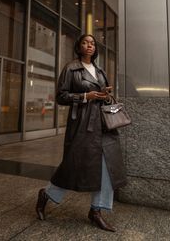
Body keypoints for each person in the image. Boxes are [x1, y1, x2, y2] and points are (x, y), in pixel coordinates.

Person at [36, 34, 127, 232]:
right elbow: (61, 96)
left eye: (92, 43)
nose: (89, 46)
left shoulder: (100, 70)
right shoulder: (71, 68)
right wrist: (85, 96)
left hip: (103, 124)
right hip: (82, 123)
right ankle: (46, 194)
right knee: (73, 165)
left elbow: (104, 95)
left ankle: (96, 211)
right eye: (85, 42)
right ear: (79, 46)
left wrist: (106, 95)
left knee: (107, 165)